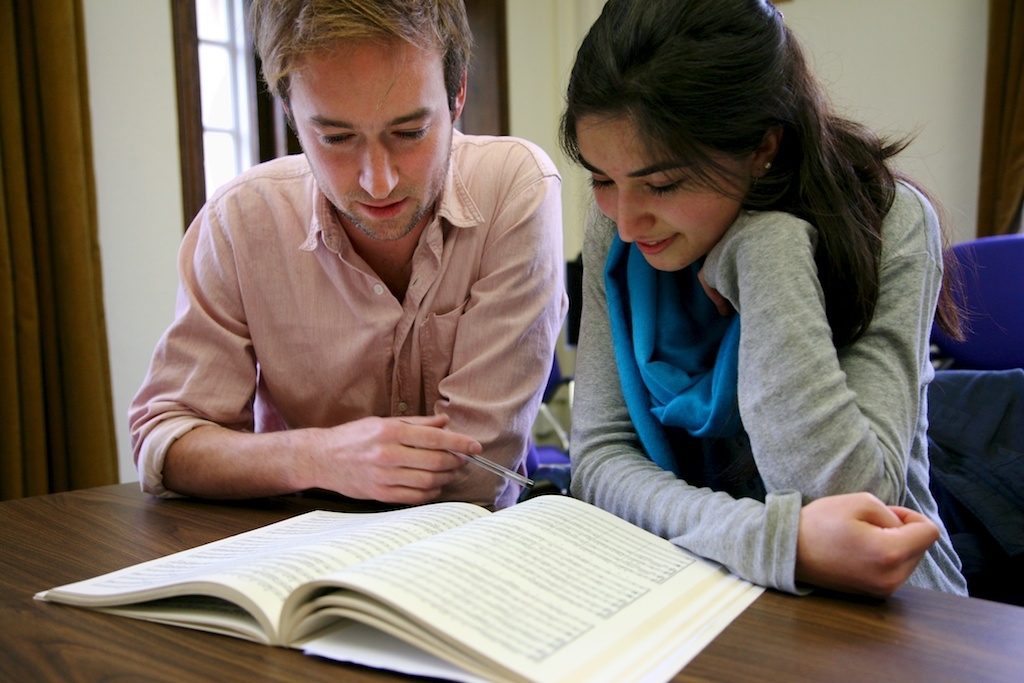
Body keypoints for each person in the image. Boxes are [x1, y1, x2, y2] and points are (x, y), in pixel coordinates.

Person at [559, 0, 968, 597]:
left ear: (761, 147)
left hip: (882, 606)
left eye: (663, 184)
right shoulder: (621, 240)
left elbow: (851, 500)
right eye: (601, 179)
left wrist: (766, 253)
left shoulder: (892, 221)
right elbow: (598, 460)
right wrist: (774, 542)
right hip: (689, 580)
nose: (624, 223)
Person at [129, 0, 567, 509]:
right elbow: (164, 441)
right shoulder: (241, 221)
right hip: (290, 554)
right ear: (291, 114)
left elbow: (470, 477)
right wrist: (317, 456)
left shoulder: (513, 190)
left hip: (462, 555)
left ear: (458, 93)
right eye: (336, 138)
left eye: (409, 133)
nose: (377, 182)